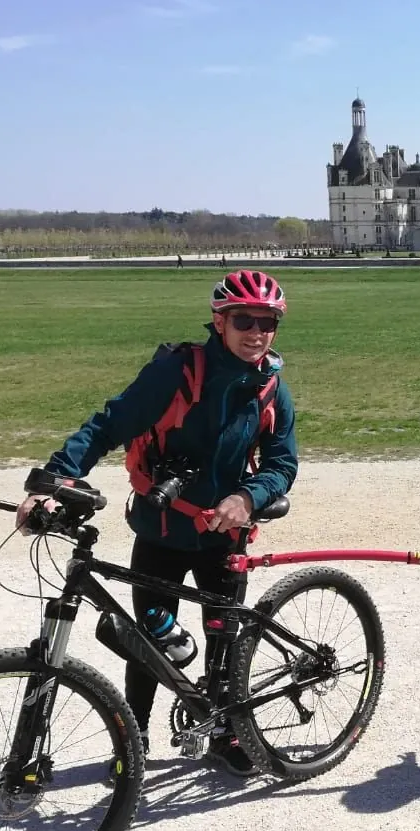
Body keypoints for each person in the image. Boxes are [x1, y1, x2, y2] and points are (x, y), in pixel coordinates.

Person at [17, 270, 297, 776]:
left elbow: (283, 464)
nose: (256, 332)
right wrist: (54, 480)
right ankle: (134, 737)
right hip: (162, 530)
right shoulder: (177, 370)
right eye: (244, 320)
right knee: (146, 642)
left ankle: (224, 731)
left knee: (223, 636)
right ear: (220, 320)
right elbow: (109, 423)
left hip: (224, 535)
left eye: (267, 322)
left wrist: (246, 496)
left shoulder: (272, 385)